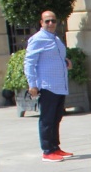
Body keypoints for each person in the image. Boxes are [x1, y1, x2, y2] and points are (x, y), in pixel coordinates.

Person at [24, 9, 72, 162]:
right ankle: (47, 150)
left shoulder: (55, 39)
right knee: (47, 119)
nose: (51, 24)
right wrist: (32, 84)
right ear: (41, 23)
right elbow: (30, 62)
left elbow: (53, 58)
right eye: (47, 21)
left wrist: (65, 63)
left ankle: (55, 147)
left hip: (59, 85)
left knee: (57, 117)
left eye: (53, 21)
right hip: (47, 85)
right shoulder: (37, 39)